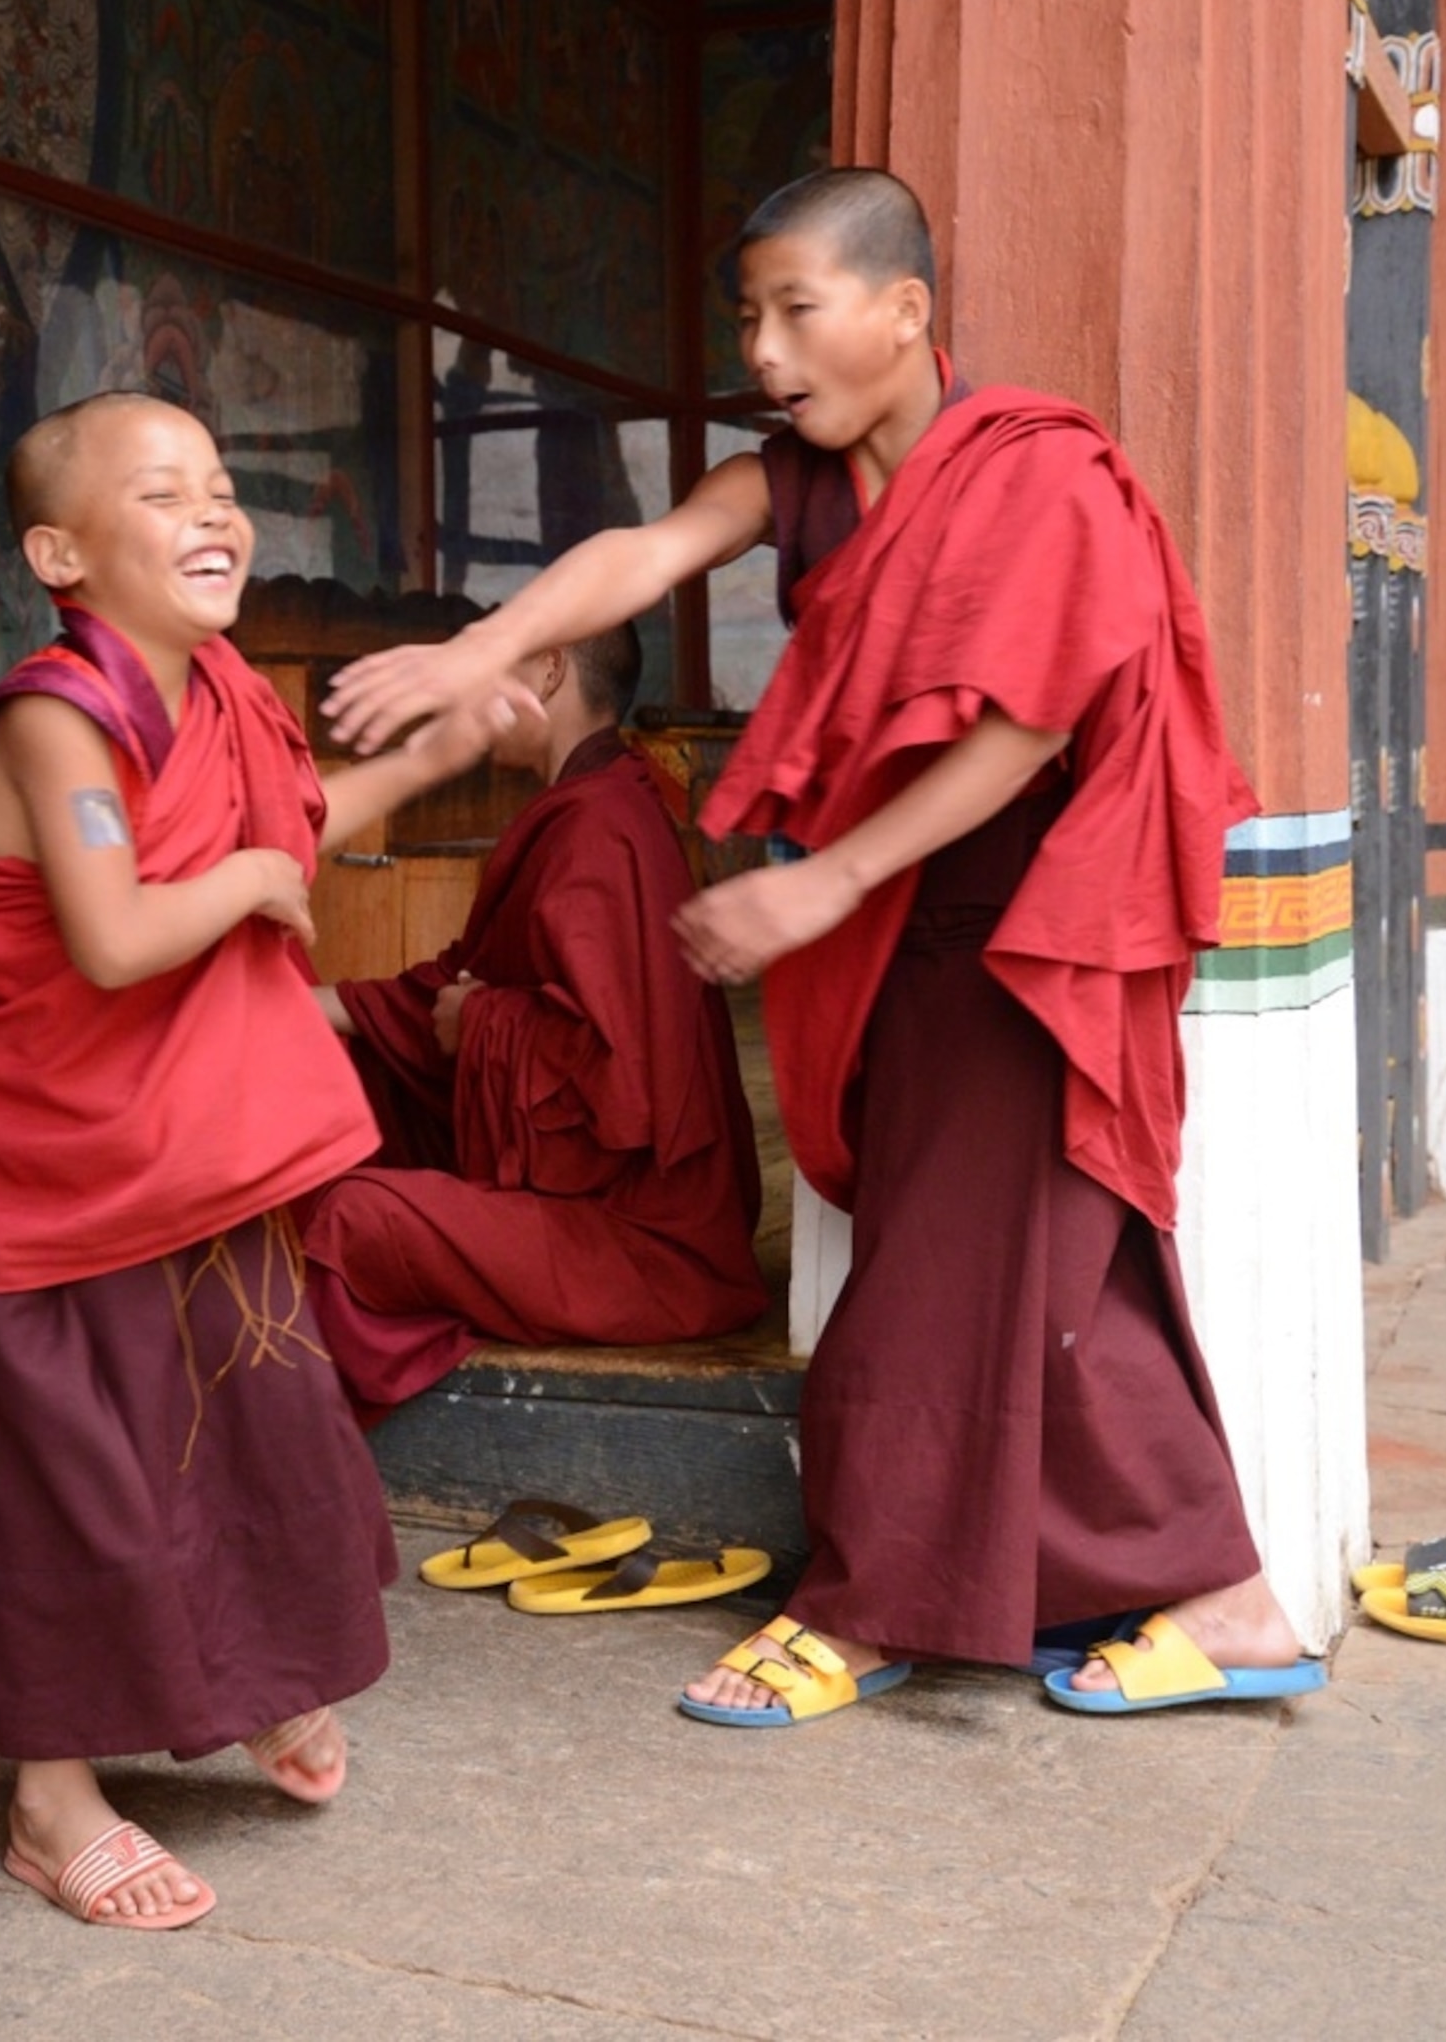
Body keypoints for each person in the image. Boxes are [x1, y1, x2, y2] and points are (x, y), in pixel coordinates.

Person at [328, 167, 1317, 1725]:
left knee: (929, 1292)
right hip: (918, 931)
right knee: (1063, 1281)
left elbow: (1031, 718)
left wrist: (825, 883)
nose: (766, 348)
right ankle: (1232, 1600)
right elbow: (646, 558)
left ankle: (865, 1611)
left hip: (1034, 925)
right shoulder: (796, 480)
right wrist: (481, 646)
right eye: (749, 316)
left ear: (907, 309)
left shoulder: (1033, 467)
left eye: (798, 309)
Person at [0, 390, 514, 1929]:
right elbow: (114, 937)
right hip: (43, 1163)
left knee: (249, 1417)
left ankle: (246, 1678)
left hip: (180, 1154)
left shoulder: (223, 687)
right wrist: (246, 878)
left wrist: (437, 748)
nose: (214, 514)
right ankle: (52, 1796)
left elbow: (287, 837)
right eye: (165, 492)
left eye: (223, 485)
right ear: (60, 550)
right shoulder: (55, 715)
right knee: (75, 1483)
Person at [304, 622, 770, 1412]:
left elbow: (617, 1086)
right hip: (591, 1204)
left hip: (643, 1245)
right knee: (331, 1084)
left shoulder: (599, 828)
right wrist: (307, 1011)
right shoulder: (593, 806)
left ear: (550, 671)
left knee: (353, 1220)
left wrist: (485, 1020)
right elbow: (447, 991)